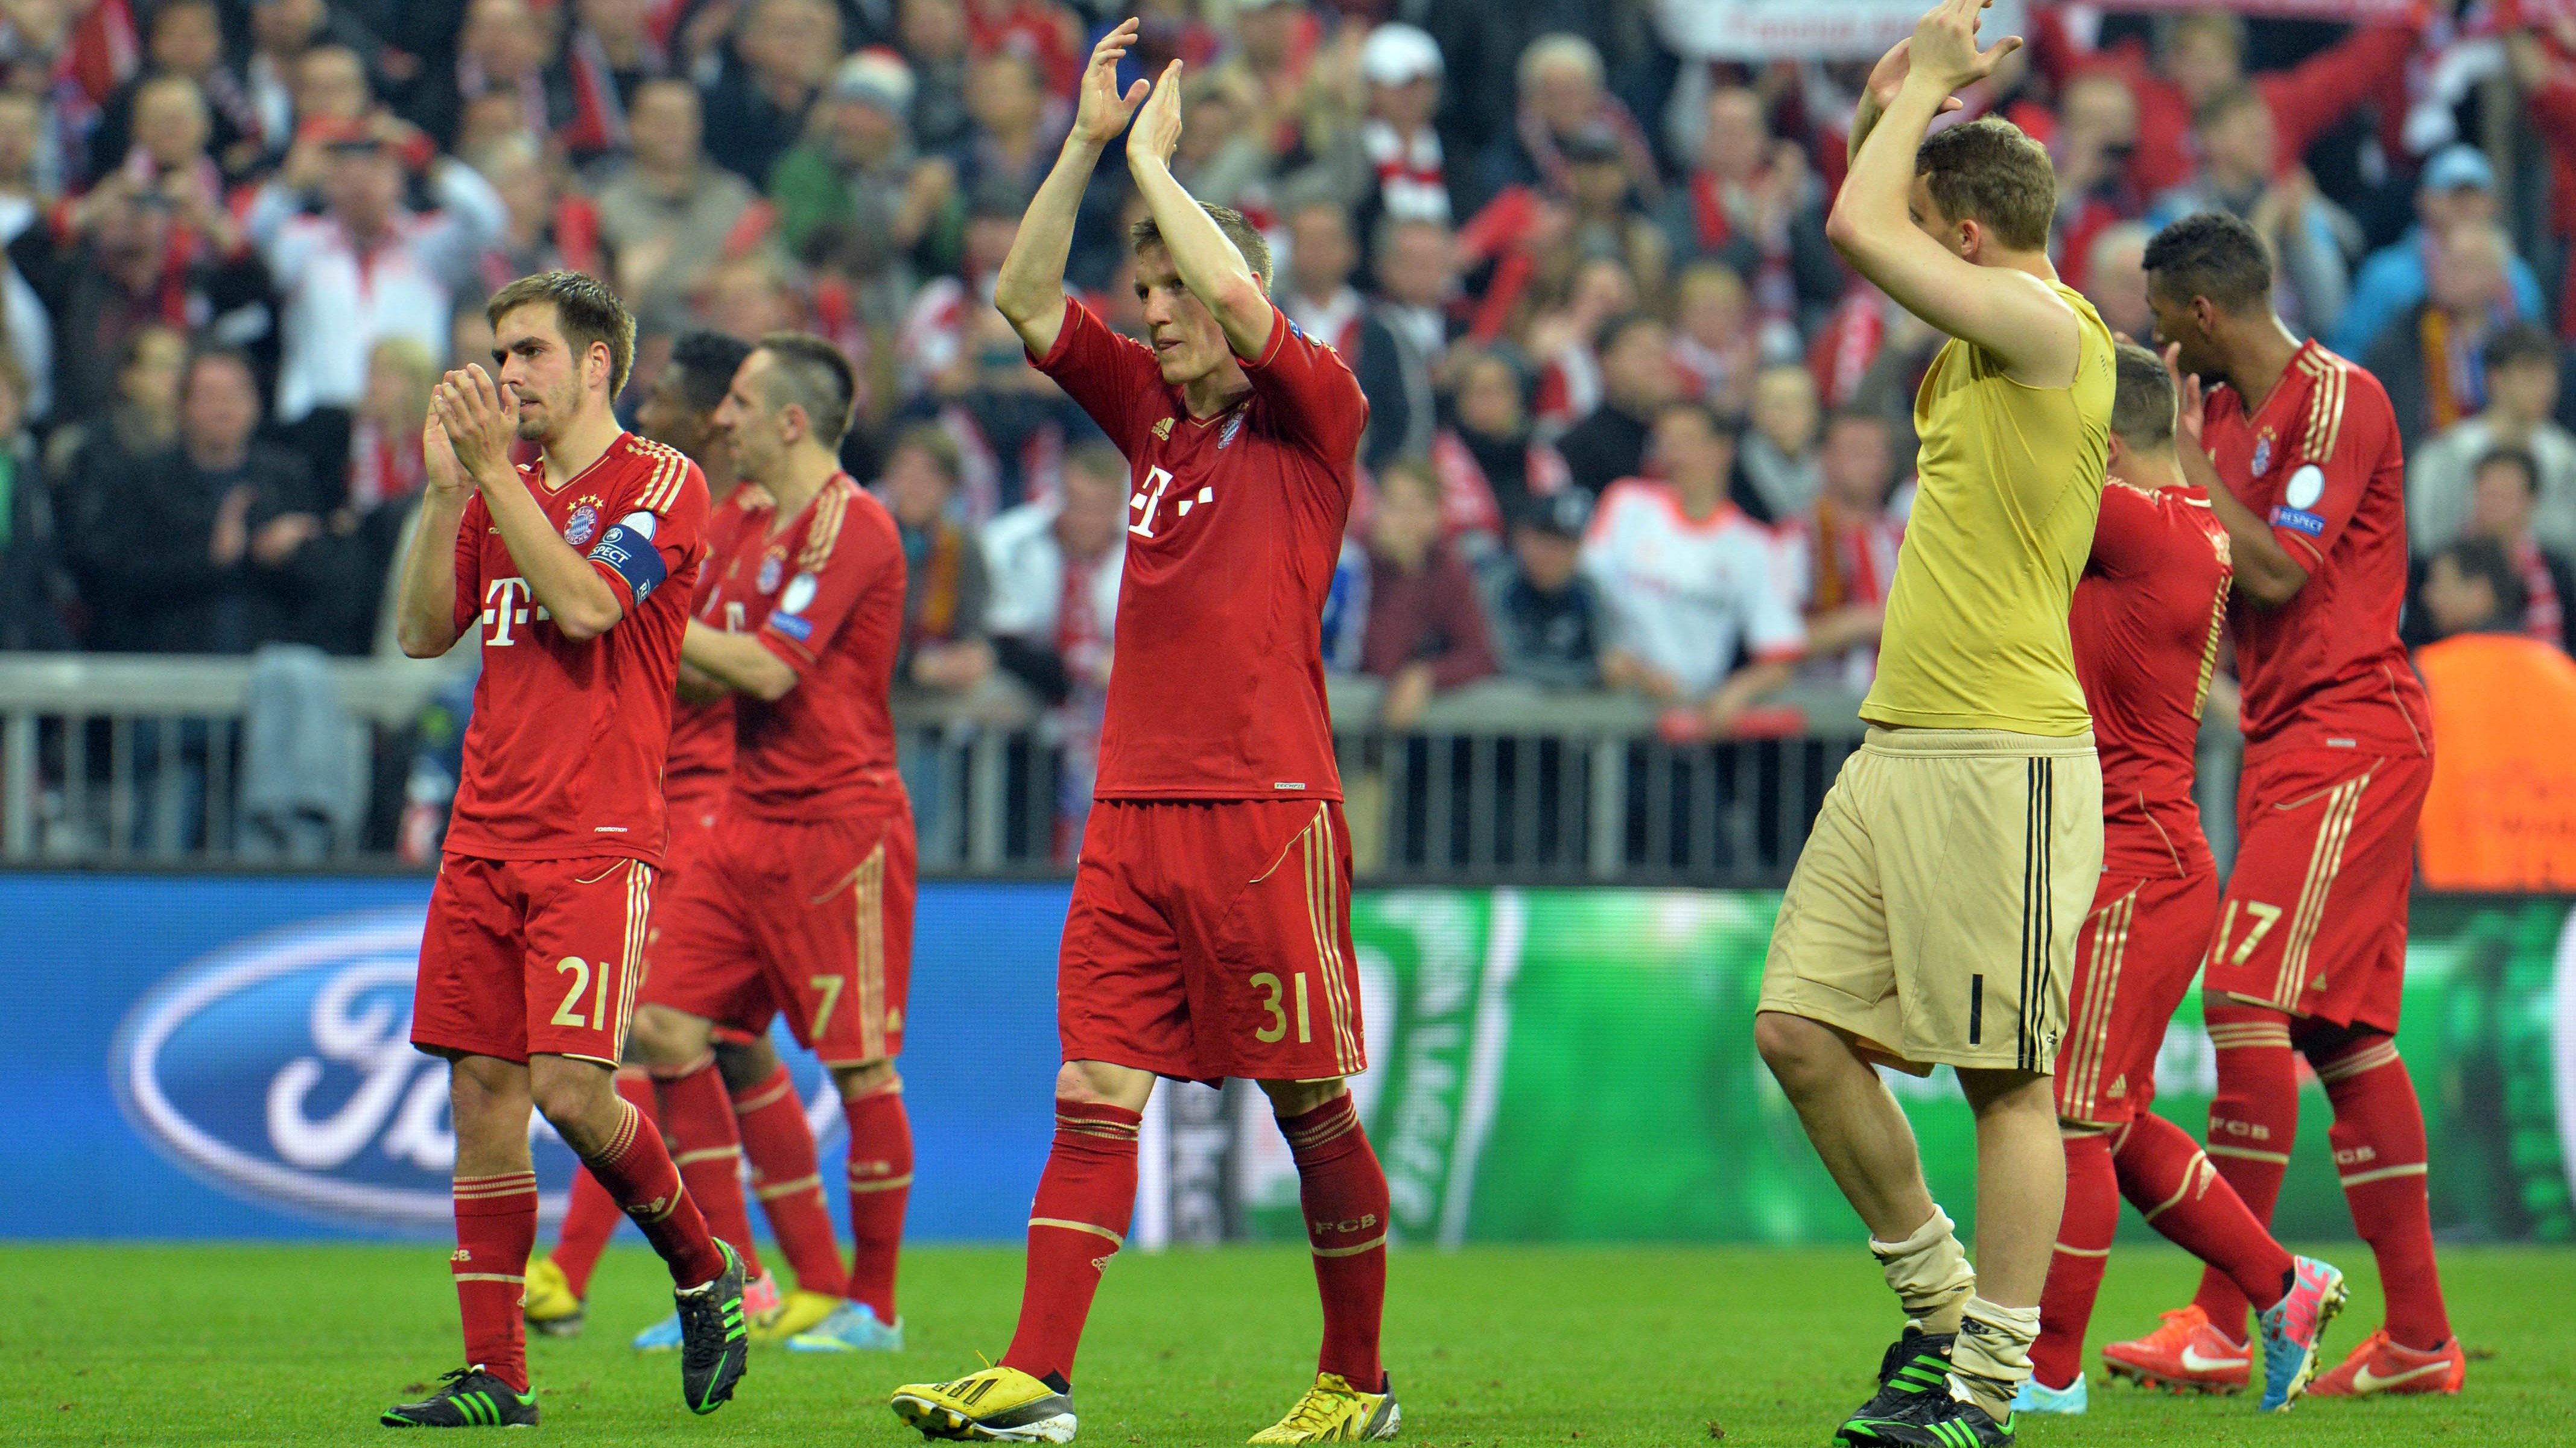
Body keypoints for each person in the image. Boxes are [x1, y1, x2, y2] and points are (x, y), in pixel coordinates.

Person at [892, 23, 1395, 1443]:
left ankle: (1358, 1384)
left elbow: (1240, 301)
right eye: (1147, 290)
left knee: (1306, 1108)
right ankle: (1037, 1384)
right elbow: (1018, 293)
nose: (1155, 313)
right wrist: (1089, 150)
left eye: (1174, 288)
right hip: (1131, 811)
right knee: (1093, 1083)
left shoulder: (1316, 413)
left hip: (1262, 806)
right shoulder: (1152, 417)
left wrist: (1169, 170)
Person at [1754, 4, 2115, 1441]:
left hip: (2006, 757)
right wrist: (1897, 90)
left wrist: (1932, 97)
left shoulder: (2045, 325)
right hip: (1901, 744)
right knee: (1796, 1031)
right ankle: (1937, 1305)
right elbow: (1873, 193)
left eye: (1929, 222)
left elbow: (1855, 227)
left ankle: (1989, 1388)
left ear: (1962, 240)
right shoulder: (1978, 327)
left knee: (2009, 1082)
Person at [383, 271, 743, 1427]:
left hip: (595, 835)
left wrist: (490, 476)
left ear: (600, 363)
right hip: (483, 833)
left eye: (531, 350)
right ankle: (498, 1374)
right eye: (501, 352)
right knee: (482, 1095)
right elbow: (419, 632)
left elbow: (589, 606)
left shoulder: (665, 483)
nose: (509, 374)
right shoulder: (498, 488)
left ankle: (703, 1266)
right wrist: (447, 497)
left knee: (574, 1089)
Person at [2134, 209, 2462, 1397]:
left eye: (2162, 311)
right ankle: (2419, 1341)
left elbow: (2276, 568)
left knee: (2239, 995)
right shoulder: (2217, 417)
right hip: (2289, 737)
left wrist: (2182, 467)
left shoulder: (2337, 400)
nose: (2156, 331)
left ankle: (2229, 1315)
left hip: (2350, 731)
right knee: (2342, 1035)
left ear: (2204, 310)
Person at [2022, 343, 2346, 1416]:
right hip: (2133, 852)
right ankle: (2282, 1284)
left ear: (2105, 447)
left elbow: (2009, 474)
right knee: (2107, 1117)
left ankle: (2049, 1376)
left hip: (2137, 859)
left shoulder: (2145, 523)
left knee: (2072, 1115)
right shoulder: (2188, 524)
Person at [522, 328, 852, 1349]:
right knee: (721, 1044)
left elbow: (728, 664)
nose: (652, 404)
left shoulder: (695, 514)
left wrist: (631, 618)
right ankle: (799, 1275)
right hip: (661, 795)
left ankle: (597, 1271)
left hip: (700, 801)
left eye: (664, 392)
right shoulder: (662, 508)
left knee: (647, 1034)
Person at [629, 332, 921, 1357]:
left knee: (859, 1067)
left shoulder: (857, 528)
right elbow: (705, 670)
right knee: (662, 1028)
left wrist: (643, 611)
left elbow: (766, 672)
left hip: (839, 832)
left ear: (793, 421)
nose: (722, 418)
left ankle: (872, 1310)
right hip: (745, 824)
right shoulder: (745, 518)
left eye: (743, 404)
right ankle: (735, 1283)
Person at [1584, 402, 1804, 736]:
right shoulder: (1626, 504)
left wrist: (1736, 692)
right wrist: (1623, 661)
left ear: (1722, 450)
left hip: (1691, 728)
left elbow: (1780, 655)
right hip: (1612, 719)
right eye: (1665, 442)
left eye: (1685, 441)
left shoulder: (1755, 546)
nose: (1673, 454)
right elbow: (1585, 592)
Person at [2330, 145, 2547, 364]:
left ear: (2492, 204)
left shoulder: (2517, 278)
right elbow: (2348, 353)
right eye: (2454, 195)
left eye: (2475, 195)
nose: (2465, 205)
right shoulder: (2386, 277)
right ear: (2424, 199)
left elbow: (2535, 356)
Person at [2405, 323, 2576, 557]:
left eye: (2549, 377)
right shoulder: (2447, 454)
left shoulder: (2565, 456)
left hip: (2547, 586)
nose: (2544, 389)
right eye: (2530, 376)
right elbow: (2427, 540)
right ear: (2495, 379)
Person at [1360, 458, 1496, 730]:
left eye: (1415, 507)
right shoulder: (1354, 559)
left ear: (1437, 516)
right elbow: (1379, 661)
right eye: (1393, 505)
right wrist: (1406, 573)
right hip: (1344, 729)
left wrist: (1427, 675)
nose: (1404, 520)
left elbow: (1480, 654)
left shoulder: (1447, 567)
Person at [1780, 408, 1906, 694]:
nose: (1873, 464)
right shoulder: (1796, 539)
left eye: (1879, 453)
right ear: (1824, 459)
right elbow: (1777, 641)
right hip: (1825, 717)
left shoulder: (1910, 539)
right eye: (1858, 452)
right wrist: (1863, 623)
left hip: (1904, 718)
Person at [1477, 489, 1603, 689]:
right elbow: (1501, 664)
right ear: (1521, 538)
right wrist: (1590, 676)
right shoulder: (1497, 585)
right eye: (1544, 540)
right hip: (1506, 713)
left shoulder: (1588, 591)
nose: (1553, 554)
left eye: (1564, 545)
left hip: (1576, 713)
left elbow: (1608, 658)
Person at [1555, 312, 1677, 495]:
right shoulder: (1582, 447)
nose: (1655, 366)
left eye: (1661, 354)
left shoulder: (1687, 435)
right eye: (1642, 355)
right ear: (1606, 363)